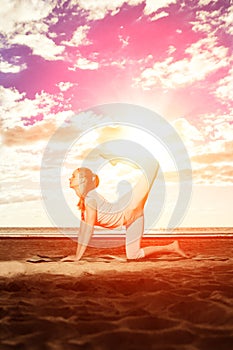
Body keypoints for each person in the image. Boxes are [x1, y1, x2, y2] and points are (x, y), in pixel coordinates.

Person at [62, 155, 187, 261]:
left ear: (82, 180)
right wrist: (77, 255)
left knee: (152, 165)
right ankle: (172, 247)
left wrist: (78, 257)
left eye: (73, 176)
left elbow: (88, 231)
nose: (70, 178)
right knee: (133, 255)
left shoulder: (90, 200)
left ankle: (116, 158)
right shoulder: (85, 202)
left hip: (130, 206)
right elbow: (82, 233)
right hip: (132, 218)